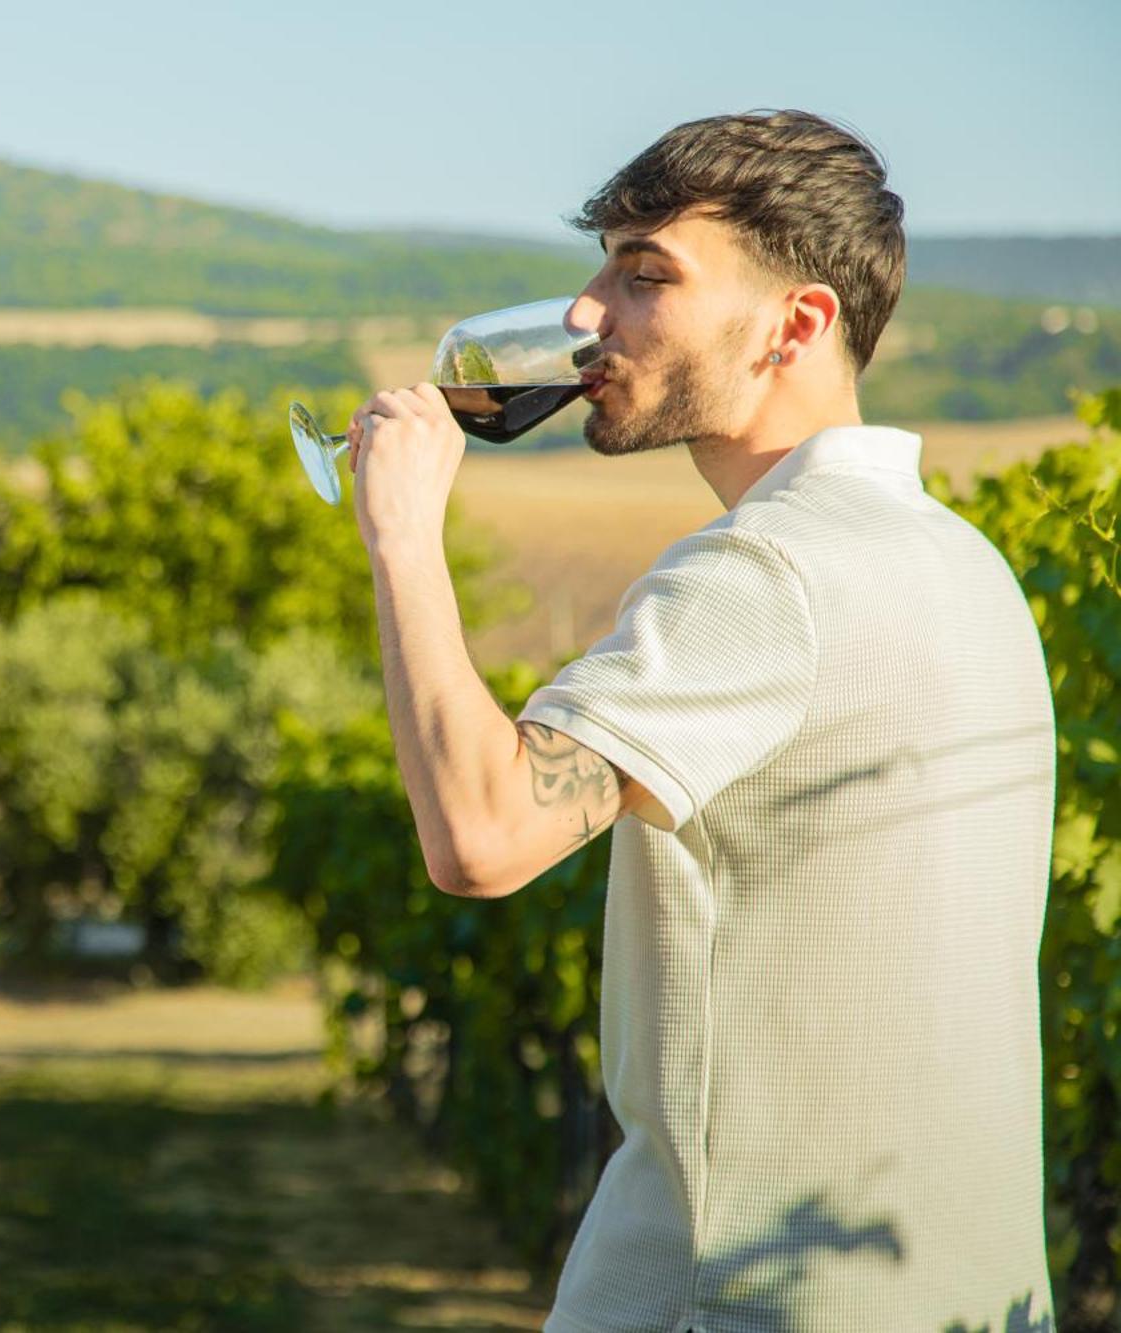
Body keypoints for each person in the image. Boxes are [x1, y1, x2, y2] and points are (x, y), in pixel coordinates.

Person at [346, 111, 1055, 1329]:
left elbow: (480, 833)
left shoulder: (762, 574)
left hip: (739, 1297)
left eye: (645, 274)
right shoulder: (963, 563)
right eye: (601, 265)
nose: (584, 314)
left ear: (797, 324)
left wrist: (401, 533)